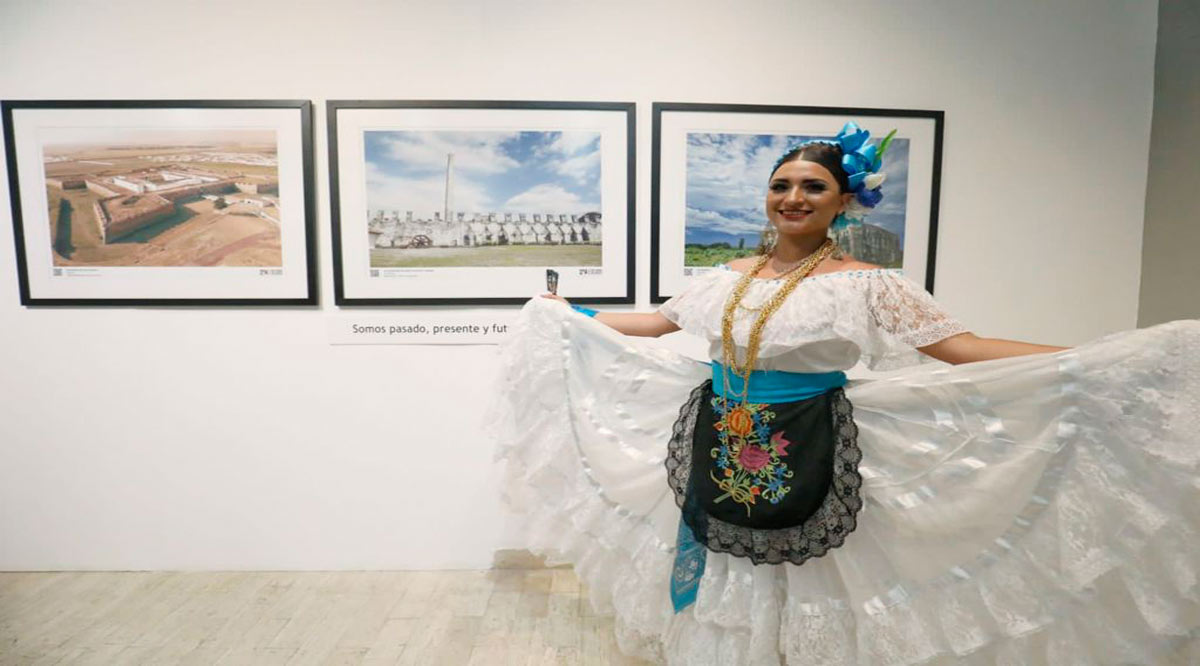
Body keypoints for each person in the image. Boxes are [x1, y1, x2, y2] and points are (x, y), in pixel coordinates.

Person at [493, 123, 1200, 665]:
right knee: (731, 560)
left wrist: (1090, 356)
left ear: (843, 201)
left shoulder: (871, 283)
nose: (792, 199)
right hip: (722, 429)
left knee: (817, 571)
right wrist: (571, 314)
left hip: (814, 435)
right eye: (781, 185)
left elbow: (963, 349)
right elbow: (655, 324)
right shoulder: (726, 274)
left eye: (812, 187)